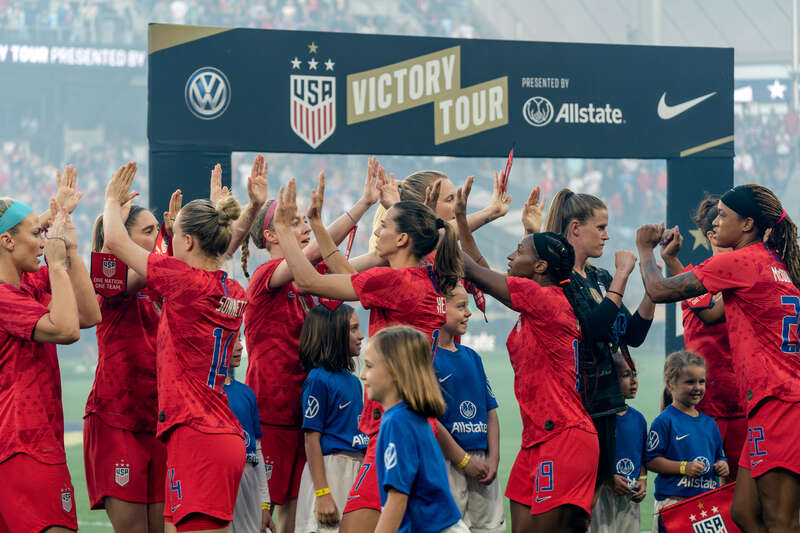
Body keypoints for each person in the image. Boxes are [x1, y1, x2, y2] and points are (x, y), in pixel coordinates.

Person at [270, 178, 462, 533]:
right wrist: (317, 226)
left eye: (385, 225)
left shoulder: (397, 283)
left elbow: (308, 282)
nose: (378, 232)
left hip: (394, 423)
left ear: (403, 239)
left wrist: (283, 230)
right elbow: (353, 279)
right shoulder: (423, 279)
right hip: (418, 421)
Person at [636, 184, 800, 533]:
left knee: (780, 521)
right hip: (771, 403)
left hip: (780, 405)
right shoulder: (774, 264)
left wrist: (644, 250)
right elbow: (710, 313)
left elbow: (658, 290)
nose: (715, 223)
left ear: (747, 225)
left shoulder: (742, 260)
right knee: (742, 512)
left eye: (724, 215)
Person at [103, 162, 248, 533]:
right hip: (208, 432)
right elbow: (214, 258)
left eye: (171, 237)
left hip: (199, 435)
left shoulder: (184, 281)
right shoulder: (233, 290)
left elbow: (117, 243)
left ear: (186, 242)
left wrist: (110, 200)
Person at [242, 158, 380, 533]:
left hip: (310, 415)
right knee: (264, 516)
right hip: (271, 415)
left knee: (297, 515)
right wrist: (361, 206)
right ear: (272, 236)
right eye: (295, 222)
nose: (305, 228)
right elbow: (318, 252)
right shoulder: (265, 276)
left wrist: (395, 243)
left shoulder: (312, 275)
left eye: (305, 221)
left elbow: (363, 267)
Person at [456, 179, 597, 532]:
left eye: (518, 251)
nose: (509, 256)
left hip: (563, 435)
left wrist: (432, 222)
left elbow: (473, 270)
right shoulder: (537, 302)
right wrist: (459, 220)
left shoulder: (545, 300)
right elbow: (480, 266)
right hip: (535, 439)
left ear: (539, 268)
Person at [0, 168, 102, 533]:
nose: (43, 242)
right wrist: (57, 263)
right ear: (8, 242)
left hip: (34, 443)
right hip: (25, 444)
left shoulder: (26, 282)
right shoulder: (3, 296)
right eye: (36, 234)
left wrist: (68, 243)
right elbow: (68, 329)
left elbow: (90, 314)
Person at [543, 188, 655, 489]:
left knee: (599, 497)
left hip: (607, 402)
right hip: (577, 404)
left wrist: (652, 290)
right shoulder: (561, 279)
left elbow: (633, 335)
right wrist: (621, 275)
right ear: (576, 228)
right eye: (601, 227)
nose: (606, 236)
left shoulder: (601, 277)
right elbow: (592, 330)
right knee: (581, 498)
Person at [85, 200, 167, 533]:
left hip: (160, 419)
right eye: (149, 231)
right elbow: (125, 276)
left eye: (158, 230)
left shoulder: (159, 280)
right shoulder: (108, 283)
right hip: (118, 419)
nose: (157, 237)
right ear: (121, 236)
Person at [657, 196, 746, 479]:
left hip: (744, 404)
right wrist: (663, 258)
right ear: (712, 234)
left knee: (744, 492)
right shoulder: (700, 277)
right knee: (701, 493)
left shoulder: (747, 275)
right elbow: (706, 308)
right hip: (707, 406)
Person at [362, 325, 469, 533]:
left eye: (369, 366)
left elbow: (397, 499)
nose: (363, 374)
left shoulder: (398, 422)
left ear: (395, 371)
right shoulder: (406, 416)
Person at [433, 284, 505, 533]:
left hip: (482, 464)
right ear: (439, 307)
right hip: (447, 461)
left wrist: (493, 459)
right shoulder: (427, 358)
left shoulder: (473, 357)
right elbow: (430, 420)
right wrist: (462, 460)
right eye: (461, 306)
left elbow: (490, 411)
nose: (468, 313)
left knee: (489, 528)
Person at [295, 304, 368, 533]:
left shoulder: (354, 381)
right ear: (336, 334)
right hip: (330, 472)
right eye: (354, 329)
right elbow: (311, 439)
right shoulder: (318, 379)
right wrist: (323, 493)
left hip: (354, 471)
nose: (361, 335)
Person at [644, 351, 728, 533]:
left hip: (706, 503)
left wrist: (722, 465)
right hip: (673, 504)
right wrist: (684, 467)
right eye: (690, 382)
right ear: (670, 384)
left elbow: (720, 457)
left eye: (701, 381)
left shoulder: (710, 423)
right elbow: (651, 460)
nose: (697, 387)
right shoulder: (664, 421)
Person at [588, 353, 647, 533]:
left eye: (634, 374)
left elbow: (641, 456)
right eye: (626, 375)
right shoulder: (596, 417)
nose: (634, 381)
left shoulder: (638, 419)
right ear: (609, 380)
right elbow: (589, 458)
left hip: (629, 497)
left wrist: (642, 480)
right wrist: (607, 478)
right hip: (601, 493)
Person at [225, 333, 275, 533]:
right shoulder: (207, 393)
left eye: (240, 339)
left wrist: (265, 502)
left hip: (249, 485)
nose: (239, 347)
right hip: (221, 485)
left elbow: (258, 451)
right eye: (233, 340)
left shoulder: (246, 394)